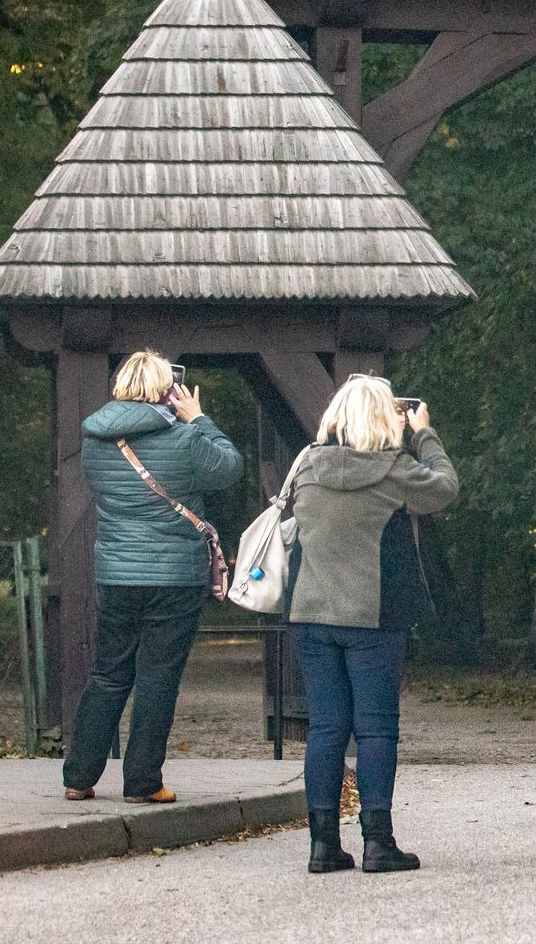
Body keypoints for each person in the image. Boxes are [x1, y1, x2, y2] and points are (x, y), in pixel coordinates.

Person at [285, 373, 459, 874]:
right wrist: (423, 432)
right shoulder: (394, 469)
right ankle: (378, 845)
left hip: (311, 615)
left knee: (326, 728)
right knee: (377, 729)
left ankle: (323, 846)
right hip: (372, 618)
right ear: (387, 418)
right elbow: (445, 488)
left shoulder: (306, 467)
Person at [62, 350, 242, 803]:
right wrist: (199, 418)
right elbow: (229, 468)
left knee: (107, 672)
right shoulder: (184, 438)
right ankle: (142, 782)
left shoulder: (94, 440)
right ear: (167, 389)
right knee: (157, 676)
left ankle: (79, 777)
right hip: (174, 577)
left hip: (117, 573)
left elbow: (102, 491)